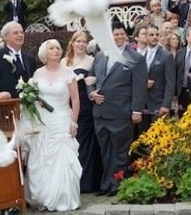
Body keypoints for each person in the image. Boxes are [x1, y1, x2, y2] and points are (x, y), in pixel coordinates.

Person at [88, 22, 148, 196]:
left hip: (122, 113)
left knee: (120, 152)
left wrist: (136, 110)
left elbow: (139, 87)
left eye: (122, 34)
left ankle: (118, 184)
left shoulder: (136, 58)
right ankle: (106, 184)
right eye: (116, 34)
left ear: (126, 36)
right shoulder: (99, 56)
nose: (119, 37)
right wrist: (92, 94)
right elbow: (90, 79)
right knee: (105, 151)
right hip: (100, 113)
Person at [23, 39, 82, 212]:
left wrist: (74, 122)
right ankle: (44, 197)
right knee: (42, 159)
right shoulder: (38, 74)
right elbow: (32, 97)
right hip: (42, 121)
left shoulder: (68, 73)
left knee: (63, 158)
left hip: (62, 119)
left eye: (57, 48)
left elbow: (76, 99)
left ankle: (65, 198)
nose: (55, 51)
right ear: (44, 53)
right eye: (51, 48)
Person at [62, 31, 102, 194]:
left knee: (87, 144)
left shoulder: (92, 61)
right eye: (78, 41)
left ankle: (88, 182)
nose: (81, 44)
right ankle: (72, 180)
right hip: (69, 105)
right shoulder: (64, 62)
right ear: (72, 43)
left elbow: (100, 80)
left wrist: (93, 82)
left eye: (84, 41)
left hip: (88, 104)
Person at [0, 21, 39, 99]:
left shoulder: (30, 59)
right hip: (4, 107)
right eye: (15, 33)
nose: (20, 35)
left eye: (21, 32)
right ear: (5, 37)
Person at [136, 24, 175, 128]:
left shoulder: (166, 56)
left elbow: (170, 83)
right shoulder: (141, 56)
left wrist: (166, 105)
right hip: (143, 105)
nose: (154, 37)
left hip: (159, 104)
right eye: (151, 35)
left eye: (157, 35)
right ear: (146, 37)